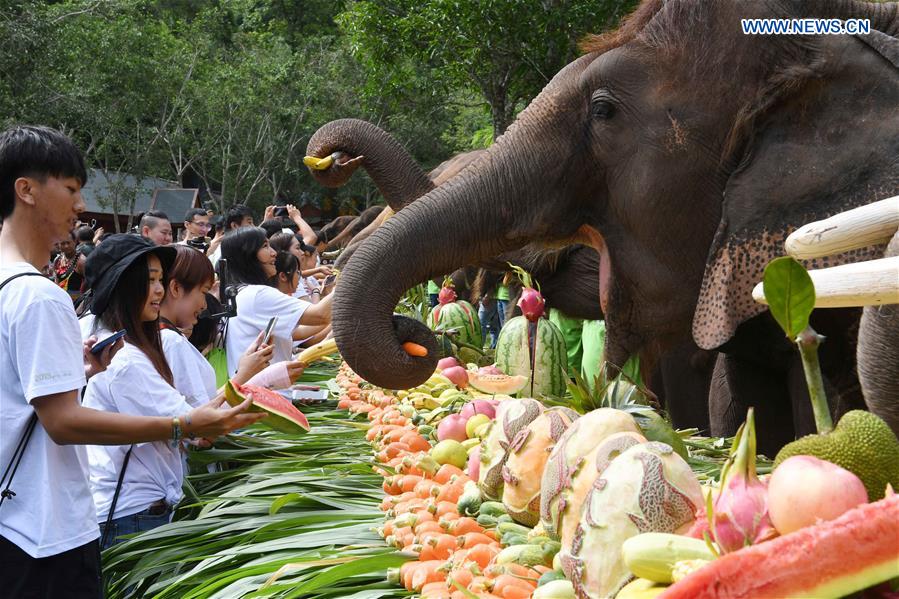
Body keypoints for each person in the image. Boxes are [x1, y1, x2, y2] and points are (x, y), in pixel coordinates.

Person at [0, 125, 263, 597]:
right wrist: (179, 425)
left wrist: (79, 376)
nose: (80, 206)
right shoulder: (40, 297)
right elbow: (61, 422)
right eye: (71, 189)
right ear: (27, 190)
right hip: (46, 529)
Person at [80, 234, 269, 548]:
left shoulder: (133, 347)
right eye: (150, 280)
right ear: (123, 286)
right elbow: (194, 424)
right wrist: (248, 380)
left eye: (161, 279)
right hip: (132, 514)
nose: (159, 290)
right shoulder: (126, 360)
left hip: (139, 508)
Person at [158, 245, 279, 407]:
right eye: (203, 292)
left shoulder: (165, 337)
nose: (204, 305)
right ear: (176, 288)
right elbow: (201, 417)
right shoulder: (172, 342)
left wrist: (245, 369)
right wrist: (245, 373)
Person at [220, 227, 333, 376]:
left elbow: (300, 331)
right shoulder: (258, 295)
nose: (274, 253)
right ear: (247, 256)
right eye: (265, 246)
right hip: (263, 395)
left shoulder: (243, 293)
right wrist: (354, 273)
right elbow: (320, 314)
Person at [51, 229, 85, 301]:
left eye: (69, 243)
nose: (66, 246)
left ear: (75, 242)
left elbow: (89, 285)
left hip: (77, 303)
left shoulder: (81, 261)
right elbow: (56, 282)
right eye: (63, 243)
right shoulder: (57, 260)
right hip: (61, 300)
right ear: (58, 244)